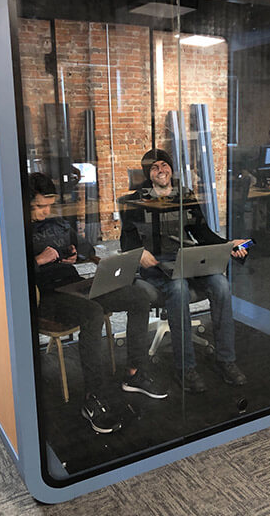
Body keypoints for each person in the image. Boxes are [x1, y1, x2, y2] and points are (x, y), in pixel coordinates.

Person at [29, 172, 167, 434]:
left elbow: (87, 250)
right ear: (26, 203)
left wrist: (75, 255)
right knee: (93, 314)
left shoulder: (57, 224)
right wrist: (38, 261)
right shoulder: (16, 231)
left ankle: (134, 373)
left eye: (48, 205)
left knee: (138, 297)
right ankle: (93, 398)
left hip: (73, 284)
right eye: (39, 207)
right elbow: (8, 276)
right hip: (46, 295)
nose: (45, 212)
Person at [120, 149, 249, 393]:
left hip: (187, 259)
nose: (161, 170)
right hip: (157, 266)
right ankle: (185, 367)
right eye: (155, 167)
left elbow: (202, 233)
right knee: (178, 289)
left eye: (165, 165)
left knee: (221, 284)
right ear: (148, 173)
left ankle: (226, 360)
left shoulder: (184, 195)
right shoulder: (136, 200)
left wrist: (228, 244)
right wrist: (139, 252)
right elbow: (126, 242)